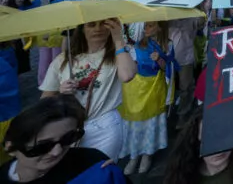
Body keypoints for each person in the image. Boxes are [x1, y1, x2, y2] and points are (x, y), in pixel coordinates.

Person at [39, 18, 137, 161]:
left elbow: (127, 75)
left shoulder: (122, 52)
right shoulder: (64, 59)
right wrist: (61, 94)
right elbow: (44, 100)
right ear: (82, 29)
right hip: (68, 127)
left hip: (105, 126)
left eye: (104, 24)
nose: (98, 29)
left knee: (98, 172)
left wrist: (118, 38)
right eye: (91, 25)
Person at [0, 95, 128, 184]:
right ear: (11, 148)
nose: (57, 152)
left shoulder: (93, 164)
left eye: (68, 138)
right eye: (43, 146)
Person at [119, 21, 175, 175]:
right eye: (146, 26)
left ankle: (147, 155)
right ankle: (134, 155)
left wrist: (159, 59)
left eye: (150, 25)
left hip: (155, 89)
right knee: (136, 124)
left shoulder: (168, 45)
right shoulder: (137, 45)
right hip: (137, 90)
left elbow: (167, 69)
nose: (146, 29)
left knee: (151, 123)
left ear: (160, 27)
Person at [7, 0, 34, 75]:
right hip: (11, 38)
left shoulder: (29, 7)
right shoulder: (7, 7)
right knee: (10, 61)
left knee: (21, 62)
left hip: (24, 38)